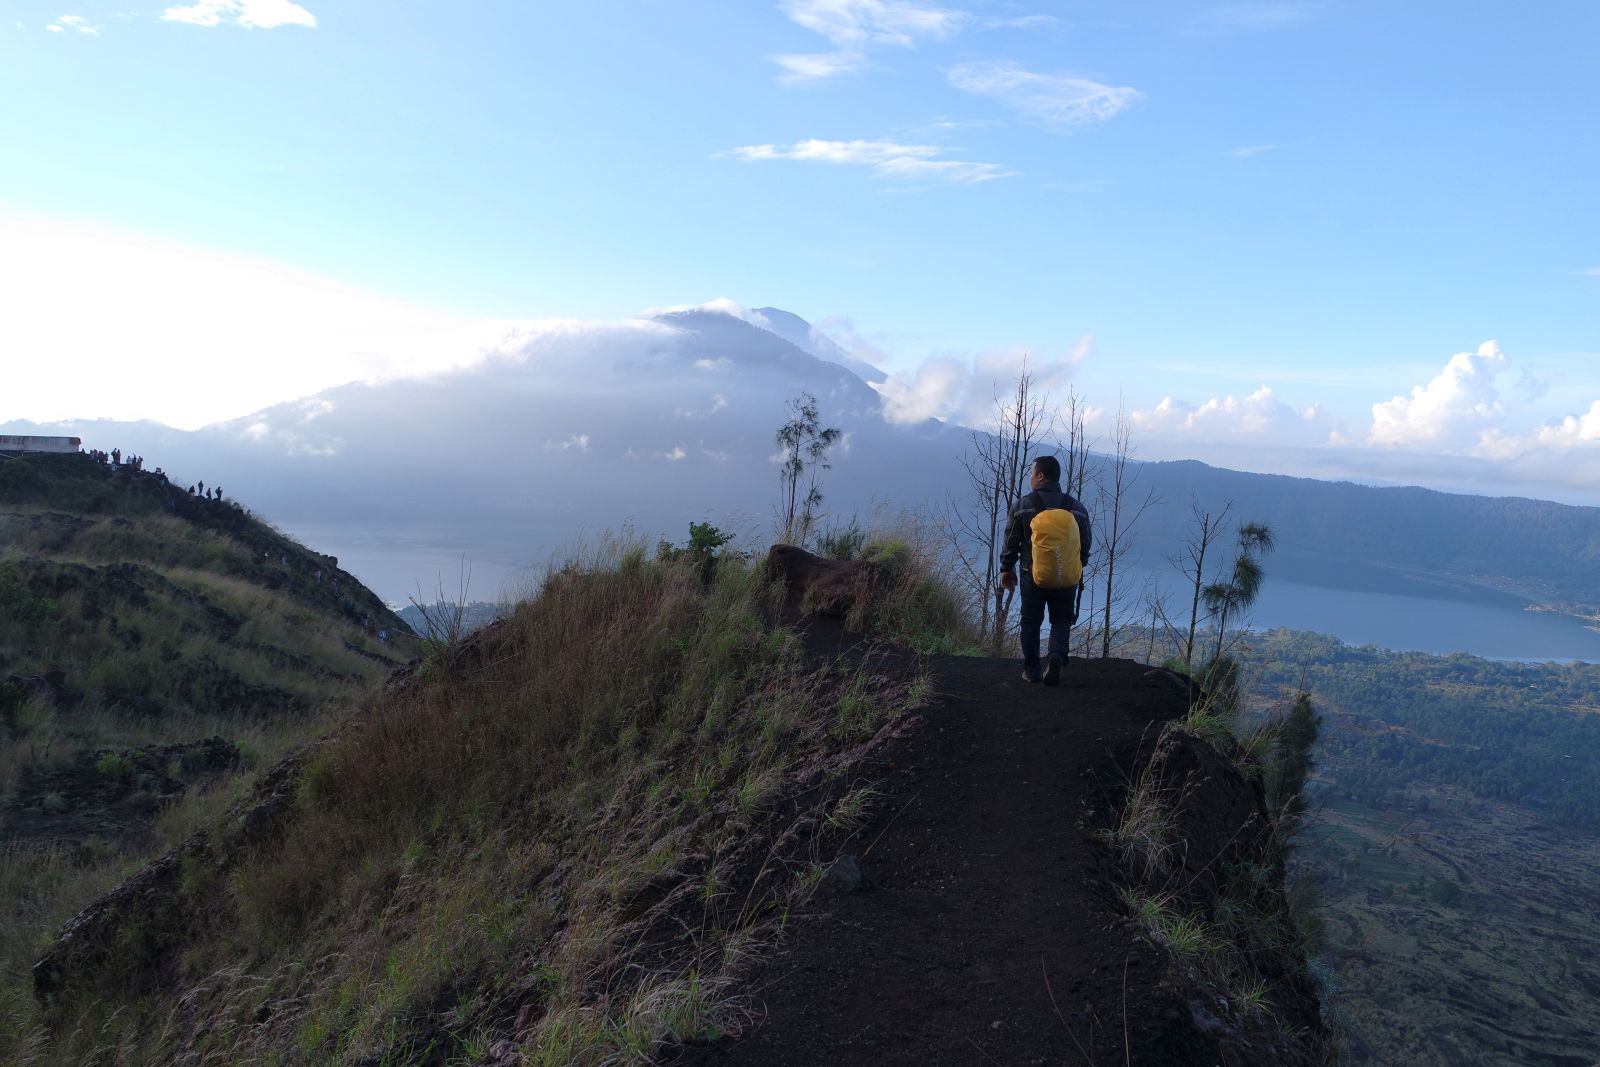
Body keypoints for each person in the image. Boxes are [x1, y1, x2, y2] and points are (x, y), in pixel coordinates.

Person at [999, 456, 1092, 686]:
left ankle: (1032, 670)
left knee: (1030, 620)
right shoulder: (1076, 508)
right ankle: (1056, 657)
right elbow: (1086, 543)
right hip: (1066, 576)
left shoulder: (1023, 506)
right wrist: (1076, 566)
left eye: (1032, 473)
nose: (1030, 477)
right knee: (1061, 619)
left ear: (1041, 476)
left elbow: (1011, 541)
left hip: (1032, 574)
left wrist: (1006, 568)